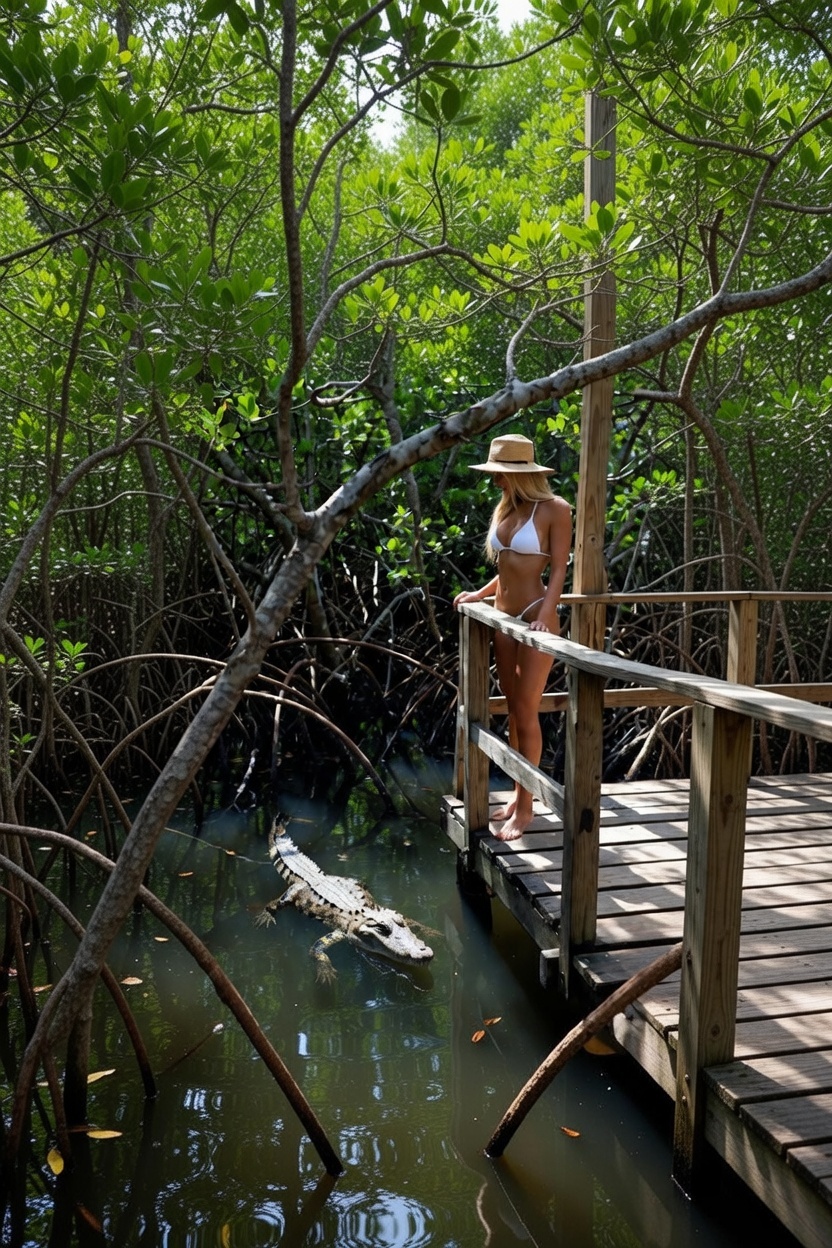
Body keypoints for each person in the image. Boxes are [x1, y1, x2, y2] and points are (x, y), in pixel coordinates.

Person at [453, 433, 572, 841]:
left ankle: (526, 808)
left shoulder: (556, 509)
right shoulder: (509, 509)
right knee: (511, 709)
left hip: (533, 617)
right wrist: (479, 595)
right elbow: (505, 566)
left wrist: (544, 614)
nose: (495, 482)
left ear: (520, 473)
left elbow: (557, 570)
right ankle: (518, 792)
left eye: (500, 474)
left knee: (526, 710)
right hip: (503, 618)